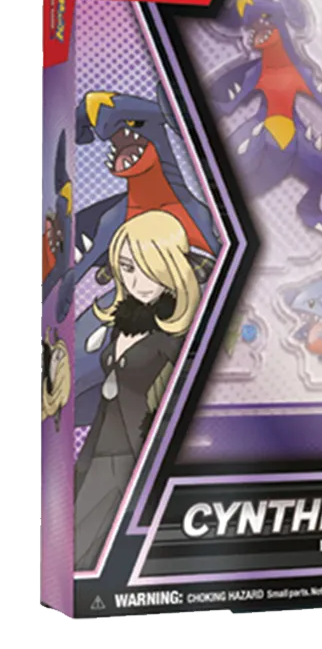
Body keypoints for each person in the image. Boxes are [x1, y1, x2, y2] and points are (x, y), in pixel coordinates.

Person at [74, 210, 201, 571]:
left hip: (133, 454)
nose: (137, 281)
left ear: (172, 268)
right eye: (128, 267)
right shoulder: (125, 321)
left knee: (86, 547)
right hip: (99, 446)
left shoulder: (174, 338)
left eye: (150, 268)